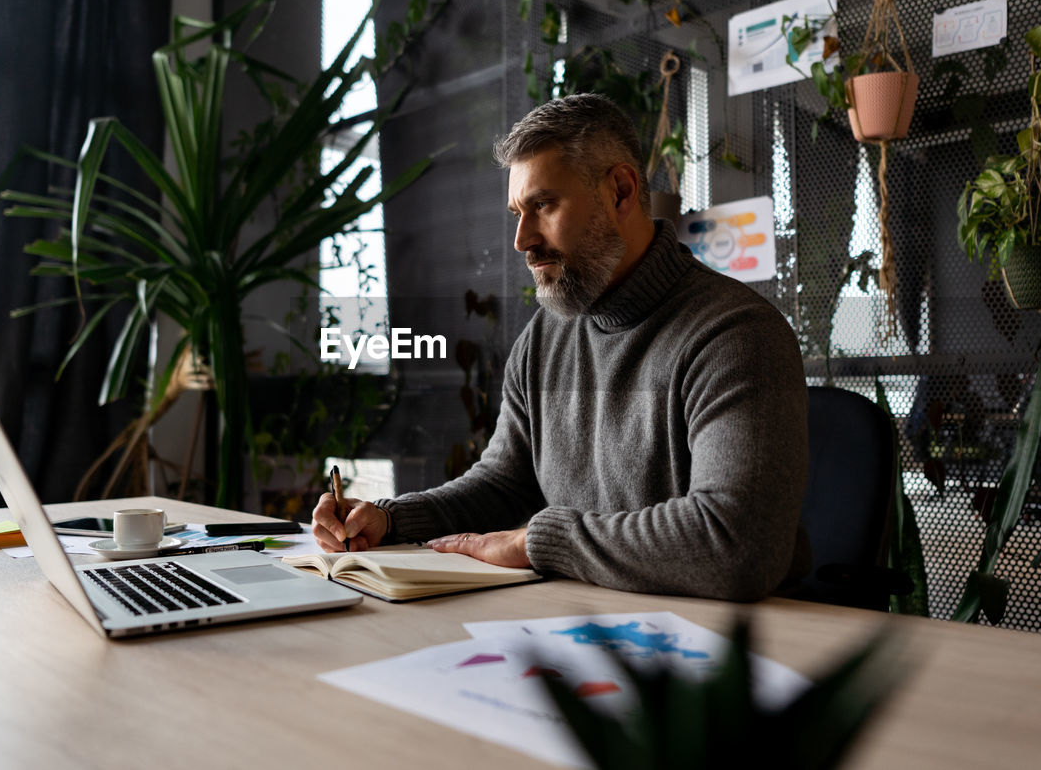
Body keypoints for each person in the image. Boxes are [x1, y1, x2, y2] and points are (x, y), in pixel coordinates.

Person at [312, 93, 809, 601]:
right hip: (579, 620)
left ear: (619, 191)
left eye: (543, 205)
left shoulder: (735, 334)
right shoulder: (543, 340)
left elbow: (736, 545)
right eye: (516, 214)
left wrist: (541, 541)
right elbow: (504, 485)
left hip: (720, 651)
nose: (522, 240)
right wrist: (389, 520)